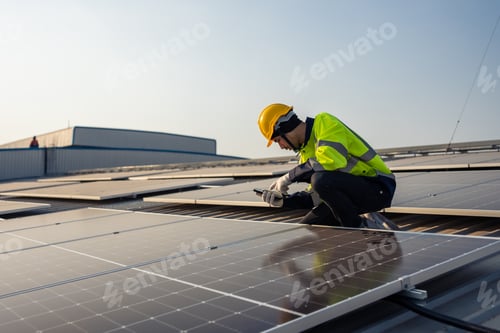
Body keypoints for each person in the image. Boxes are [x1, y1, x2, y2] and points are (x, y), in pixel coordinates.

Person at [257, 103, 399, 230]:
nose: (281, 146)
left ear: (284, 127)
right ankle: (352, 240)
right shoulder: (305, 155)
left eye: (278, 140)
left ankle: (361, 228)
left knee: (320, 179)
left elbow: (331, 162)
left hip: (378, 186)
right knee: (310, 226)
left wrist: (289, 177)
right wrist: (284, 201)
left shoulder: (324, 122)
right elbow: (316, 196)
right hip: (349, 195)